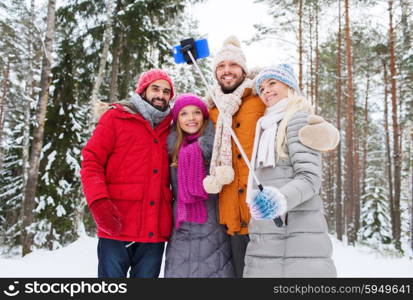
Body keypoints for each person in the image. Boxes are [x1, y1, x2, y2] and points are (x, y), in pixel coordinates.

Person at [243, 64, 338, 277]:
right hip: (267, 232)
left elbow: (310, 177)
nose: (266, 90)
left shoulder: (297, 119)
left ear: (289, 86)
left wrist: (279, 200)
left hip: (296, 231)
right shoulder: (267, 126)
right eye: (262, 87)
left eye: (272, 83)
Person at [80, 69, 175, 278]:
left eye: (166, 91)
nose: (161, 95)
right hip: (117, 224)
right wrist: (98, 202)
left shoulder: (172, 126)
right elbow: (91, 161)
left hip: (154, 231)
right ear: (142, 91)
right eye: (155, 89)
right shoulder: (116, 117)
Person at [201, 35, 266, 278]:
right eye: (221, 66)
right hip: (233, 219)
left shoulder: (260, 98)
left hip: (263, 214)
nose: (227, 71)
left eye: (233, 65)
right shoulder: (211, 109)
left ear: (243, 69)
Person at [163, 94, 234, 278]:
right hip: (181, 227)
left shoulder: (217, 146)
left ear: (204, 116)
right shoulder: (170, 148)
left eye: (196, 113)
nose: (191, 118)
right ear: (177, 119)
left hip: (213, 224)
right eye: (184, 114)